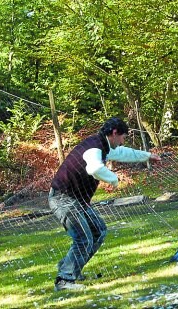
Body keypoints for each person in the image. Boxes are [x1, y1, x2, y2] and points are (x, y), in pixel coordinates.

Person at [49, 117, 161, 291]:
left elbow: (123, 153)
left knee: (98, 230)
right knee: (83, 238)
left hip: (76, 200)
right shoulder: (94, 147)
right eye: (123, 136)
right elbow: (94, 169)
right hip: (63, 198)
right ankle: (64, 280)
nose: (123, 141)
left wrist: (147, 156)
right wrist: (114, 179)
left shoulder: (104, 145)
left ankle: (70, 268)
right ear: (114, 133)